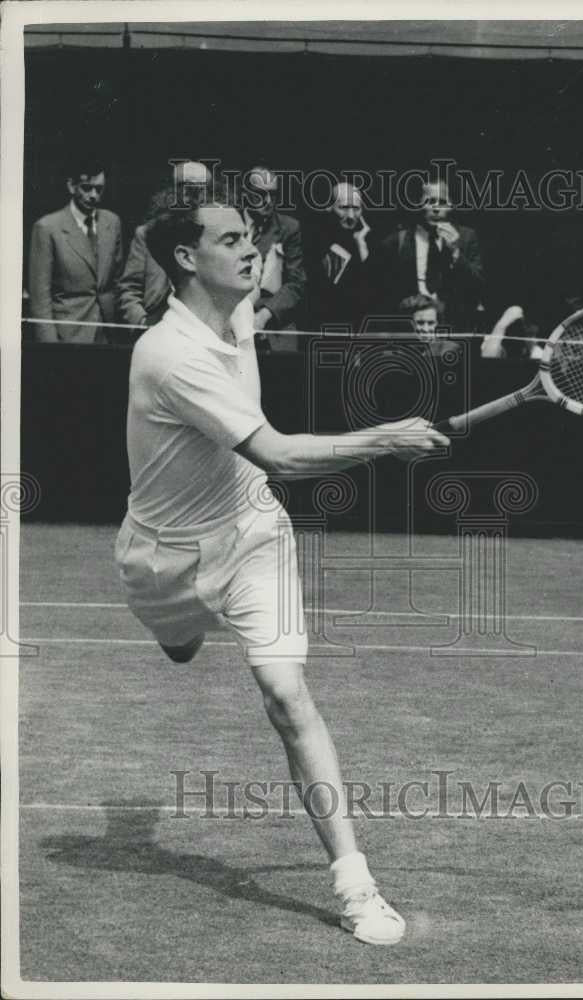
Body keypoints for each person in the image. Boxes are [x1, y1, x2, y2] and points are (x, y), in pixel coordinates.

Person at [115, 185, 449, 945]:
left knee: (286, 697)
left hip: (252, 536)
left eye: (250, 238)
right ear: (184, 258)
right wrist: (385, 437)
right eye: (230, 239)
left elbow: (264, 467)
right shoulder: (169, 355)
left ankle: (356, 885)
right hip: (162, 560)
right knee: (179, 646)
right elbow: (281, 455)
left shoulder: (235, 310)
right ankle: (183, 631)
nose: (250, 249)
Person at [28, 159, 124, 343]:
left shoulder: (112, 223)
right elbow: (40, 300)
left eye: (99, 189)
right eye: (86, 188)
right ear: (71, 186)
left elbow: (117, 281)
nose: (94, 195)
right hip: (68, 337)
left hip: (108, 334)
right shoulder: (47, 228)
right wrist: (50, 347)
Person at [117, 161, 213, 332]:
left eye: (201, 190)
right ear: (173, 191)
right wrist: (141, 322)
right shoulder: (147, 234)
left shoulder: (212, 237)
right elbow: (129, 289)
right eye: (188, 189)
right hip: (155, 324)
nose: (194, 197)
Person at [380, 179, 484, 333]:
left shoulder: (466, 237)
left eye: (442, 202)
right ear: (419, 204)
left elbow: (477, 284)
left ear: (450, 206)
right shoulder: (398, 240)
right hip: (411, 328)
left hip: (452, 326)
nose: (436, 208)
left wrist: (456, 252)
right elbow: (383, 290)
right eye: (430, 201)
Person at [243, 164, 307, 351]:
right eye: (261, 194)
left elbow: (297, 284)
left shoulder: (289, 228)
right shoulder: (229, 224)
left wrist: (264, 315)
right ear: (245, 193)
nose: (269, 201)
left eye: (274, 194)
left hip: (273, 328)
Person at [311, 182, 379, 334]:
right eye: (343, 208)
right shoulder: (317, 240)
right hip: (326, 329)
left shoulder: (369, 241)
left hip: (361, 328)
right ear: (328, 208)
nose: (350, 216)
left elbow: (373, 293)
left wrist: (361, 244)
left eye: (356, 208)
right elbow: (329, 294)